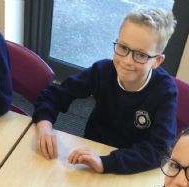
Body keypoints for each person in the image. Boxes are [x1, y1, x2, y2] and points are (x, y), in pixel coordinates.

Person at [33, 7, 178, 174]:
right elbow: (54, 95)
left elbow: (159, 150)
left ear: (157, 61)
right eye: (123, 47)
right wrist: (44, 126)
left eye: (141, 55)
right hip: (91, 152)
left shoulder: (165, 92)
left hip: (132, 166)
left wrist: (106, 163)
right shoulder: (102, 71)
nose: (127, 61)